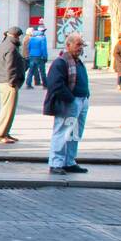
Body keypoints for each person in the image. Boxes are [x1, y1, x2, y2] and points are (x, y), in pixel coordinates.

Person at [45, 32, 91, 175]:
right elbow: (55, 84)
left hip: (81, 101)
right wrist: (71, 99)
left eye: (81, 45)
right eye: (78, 45)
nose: (80, 48)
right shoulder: (61, 62)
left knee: (75, 134)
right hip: (70, 102)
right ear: (68, 45)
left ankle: (69, 162)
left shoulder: (77, 61)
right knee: (62, 132)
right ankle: (56, 163)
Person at [0, 26, 26, 144]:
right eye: (19, 36)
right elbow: (10, 67)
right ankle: (1, 134)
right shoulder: (11, 48)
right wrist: (13, 83)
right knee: (8, 110)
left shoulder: (3, 45)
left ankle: (5, 132)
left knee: (6, 109)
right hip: (9, 83)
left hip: (3, 81)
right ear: (16, 36)